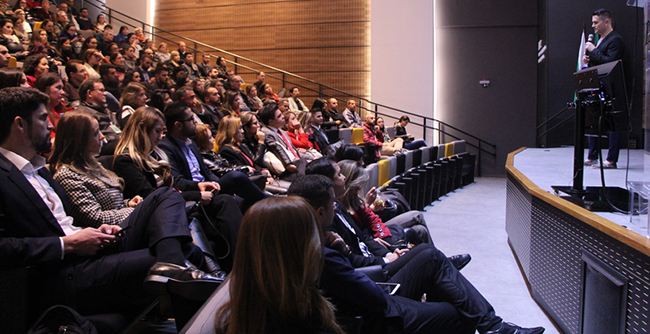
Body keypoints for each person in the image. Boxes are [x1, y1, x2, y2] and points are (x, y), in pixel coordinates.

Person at [0, 88, 220, 325]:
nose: (51, 126)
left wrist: (98, 229)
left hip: (90, 248)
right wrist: (67, 244)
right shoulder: (6, 176)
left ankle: (174, 269)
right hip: (64, 271)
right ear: (20, 124)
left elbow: (68, 220)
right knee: (187, 252)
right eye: (43, 118)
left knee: (165, 196)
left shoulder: (39, 170)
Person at [287, 174, 546, 334]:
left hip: (371, 286)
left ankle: (492, 326)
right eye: (332, 201)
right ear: (320, 211)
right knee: (457, 311)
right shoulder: (320, 250)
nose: (336, 204)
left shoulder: (296, 239)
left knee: (429, 257)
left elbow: (363, 242)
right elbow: (370, 295)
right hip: (375, 307)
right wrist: (381, 263)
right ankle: (491, 325)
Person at [214, 196, 344, 334]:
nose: (320, 250)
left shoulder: (235, 318)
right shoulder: (306, 322)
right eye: (315, 240)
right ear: (295, 255)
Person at [159, 101, 268, 209]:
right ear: (178, 125)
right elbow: (177, 180)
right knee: (235, 177)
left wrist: (218, 184)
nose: (195, 123)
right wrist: (199, 186)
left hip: (209, 186)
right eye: (191, 120)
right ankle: (270, 201)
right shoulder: (166, 147)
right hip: (196, 191)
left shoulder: (190, 144)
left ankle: (270, 205)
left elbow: (206, 172)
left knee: (242, 199)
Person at [583, 8, 625, 169]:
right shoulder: (600, 40)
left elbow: (610, 62)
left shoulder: (615, 40)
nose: (593, 26)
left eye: (596, 22)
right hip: (597, 85)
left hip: (611, 87)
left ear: (606, 22)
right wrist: (589, 59)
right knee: (593, 118)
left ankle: (611, 159)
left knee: (613, 122)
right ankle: (592, 155)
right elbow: (599, 60)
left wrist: (593, 51)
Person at [215, 115, 272, 190]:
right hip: (249, 186)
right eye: (239, 129)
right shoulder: (226, 151)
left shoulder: (240, 145)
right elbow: (245, 172)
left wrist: (264, 171)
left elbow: (254, 164)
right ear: (231, 131)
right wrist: (263, 174)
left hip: (258, 180)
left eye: (241, 128)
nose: (242, 131)